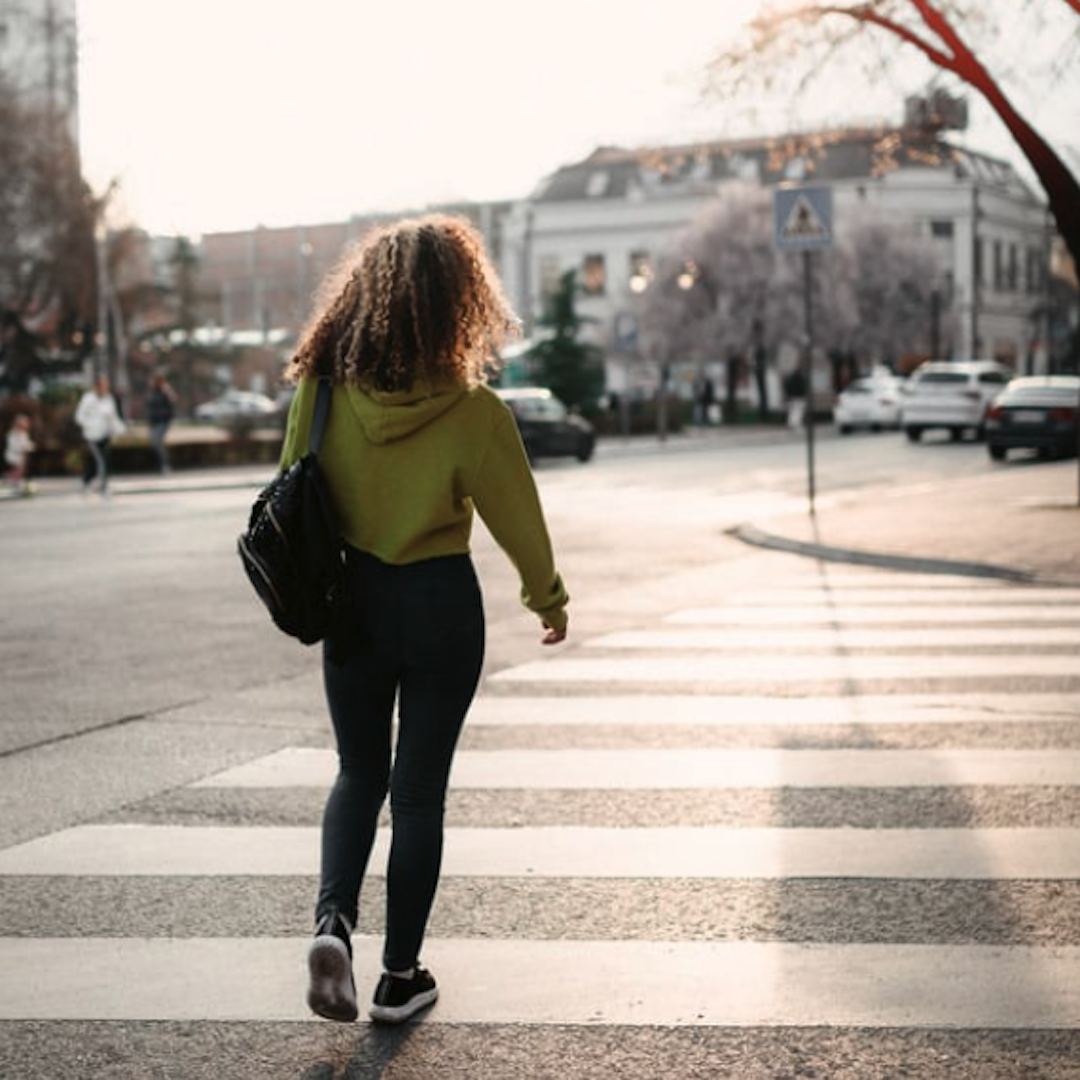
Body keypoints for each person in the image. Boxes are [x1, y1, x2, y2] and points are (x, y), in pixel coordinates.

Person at [279, 214, 570, 1026]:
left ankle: (332, 923)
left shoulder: (322, 393)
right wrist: (546, 597)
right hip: (441, 604)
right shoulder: (475, 413)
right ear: (458, 306)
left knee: (356, 771)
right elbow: (520, 520)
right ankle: (398, 976)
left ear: (364, 299)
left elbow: (288, 491)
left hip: (355, 605)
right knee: (418, 797)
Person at [75, 374, 126, 495]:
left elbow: (113, 417)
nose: (105, 388)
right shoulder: (88, 399)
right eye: (103, 386)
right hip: (92, 435)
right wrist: (89, 426)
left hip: (105, 434)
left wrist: (121, 429)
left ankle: (91, 482)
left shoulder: (109, 399)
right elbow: (79, 417)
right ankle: (100, 485)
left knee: (102, 461)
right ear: (97, 387)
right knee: (100, 461)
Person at [145, 372, 177, 474]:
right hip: (153, 421)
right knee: (155, 443)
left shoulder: (164, 392)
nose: (150, 382)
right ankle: (160, 465)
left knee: (157, 442)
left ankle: (164, 465)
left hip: (162, 421)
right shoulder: (151, 392)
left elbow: (173, 400)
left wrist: (167, 388)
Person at [4, 413, 35, 495]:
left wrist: (29, 446)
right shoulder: (13, 433)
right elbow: (13, 445)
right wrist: (23, 447)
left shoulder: (24, 434)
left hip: (21, 455)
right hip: (13, 455)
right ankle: (11, 481)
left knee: (20, 470)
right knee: (18, 470)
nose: (25, 424)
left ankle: (14, 482)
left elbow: (27, 443)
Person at [784, 366, 808, 431]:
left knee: (792, 412)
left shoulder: (790, 378)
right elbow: (805, 388)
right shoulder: (802, 379)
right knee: (798, 412)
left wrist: (789, 395)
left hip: (791, 398)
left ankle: (791, 424)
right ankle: (796, 425)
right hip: (800, 397)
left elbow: (787, 387)